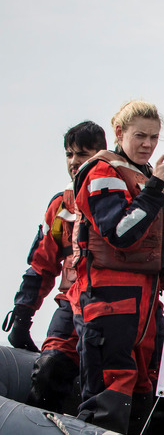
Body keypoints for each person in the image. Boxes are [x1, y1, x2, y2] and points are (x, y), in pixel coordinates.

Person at [70, 101, 164, 435]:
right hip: (110, 303)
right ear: (119, 133)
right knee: (110, 390)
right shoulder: (103, 173)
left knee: (144, 387)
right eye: (140, 136)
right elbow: (119, 231)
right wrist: (154, 187)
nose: (148, 144)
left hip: (147, 309)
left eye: (154, 137)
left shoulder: (151, 181)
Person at [3, 121, 106, 414]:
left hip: (113, 306)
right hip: (72, 303)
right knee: (49, 369)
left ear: (101, 156)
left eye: (82, 154)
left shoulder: (119, 199)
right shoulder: (61, 205)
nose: (74, 162)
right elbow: (41, 264)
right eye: (69, 154)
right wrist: (22, 317)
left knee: (112, 385)